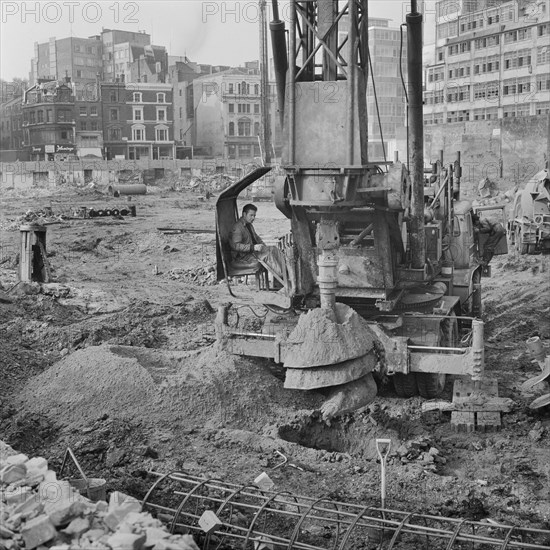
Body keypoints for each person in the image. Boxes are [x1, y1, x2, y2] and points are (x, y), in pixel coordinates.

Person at [229, 204, 286, 282]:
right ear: (244, 214)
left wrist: (265, 247)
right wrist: (253, 247)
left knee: (273, 248)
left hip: (252, 252)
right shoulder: (238, 227)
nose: (253, 218)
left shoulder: (249, 225)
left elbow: (257, 238)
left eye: (254, 215)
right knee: (267, 256)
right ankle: (282, 276)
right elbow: (235, 246)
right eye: (251, 215)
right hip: (243, 257)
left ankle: (286, 272)